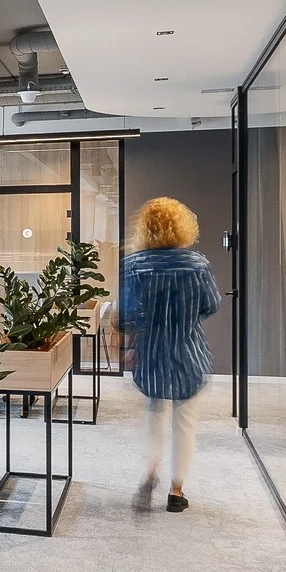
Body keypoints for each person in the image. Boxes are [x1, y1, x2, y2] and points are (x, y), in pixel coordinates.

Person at [115, 196, 221, 513]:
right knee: (185, 422)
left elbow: (127, 315)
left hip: (150, 354)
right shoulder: (197, 265)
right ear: (182, 227)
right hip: (189, 353)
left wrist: (134, 339)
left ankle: (150, 470)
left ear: (145, 229)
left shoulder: (132, 266)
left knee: (154, 414)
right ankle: (176, 490)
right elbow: (212, 306)